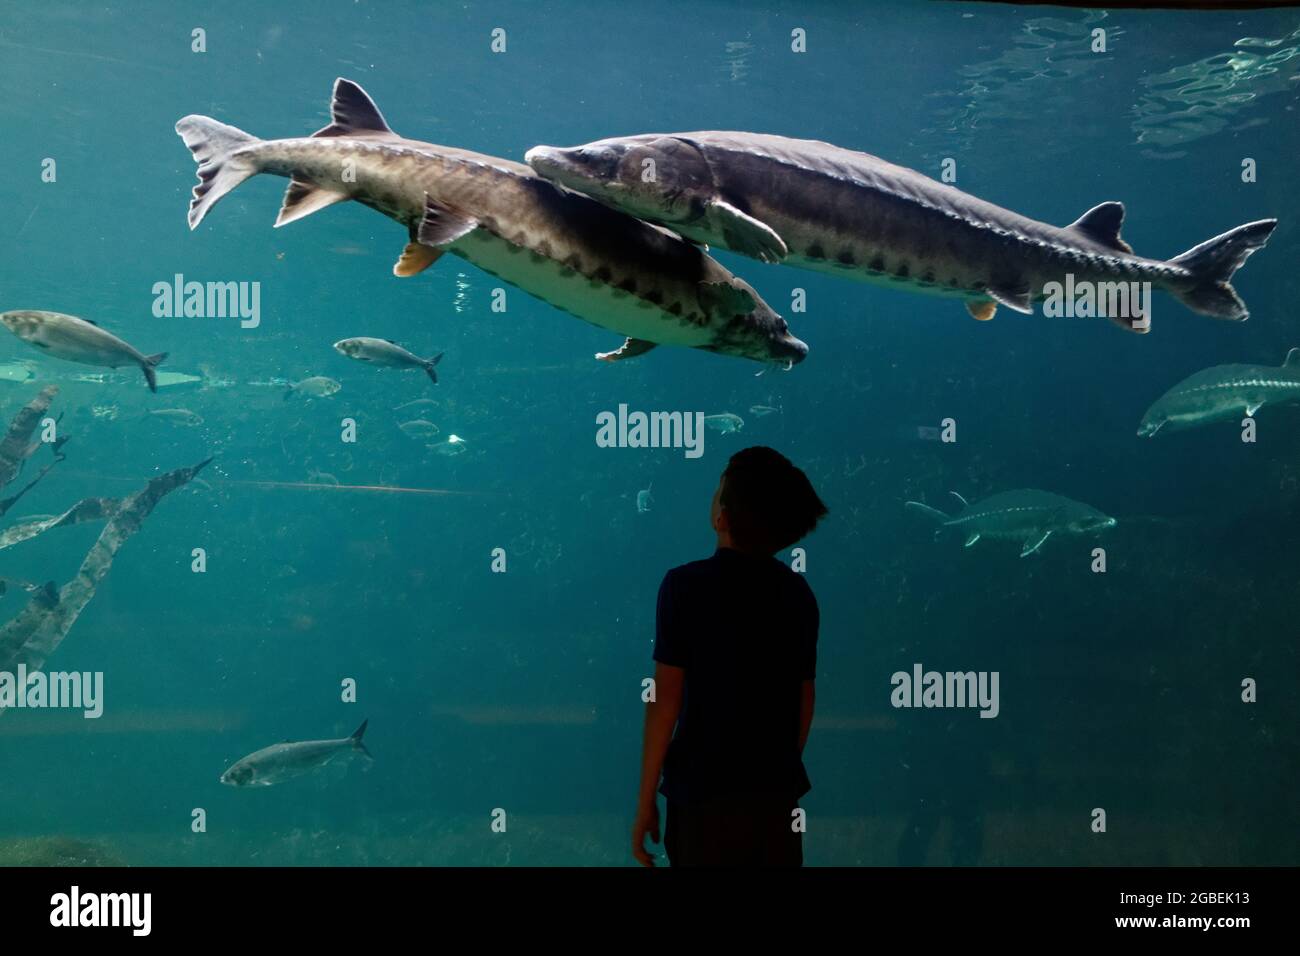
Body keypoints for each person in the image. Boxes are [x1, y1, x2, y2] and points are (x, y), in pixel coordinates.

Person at [632, 446, 828, 866]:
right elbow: (803, 701)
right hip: (774, 799)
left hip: (700, 796)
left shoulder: (683, 587)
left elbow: (666, 702)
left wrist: (646, 798)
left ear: (722, 516)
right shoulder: (797, 594)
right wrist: (775, 775)